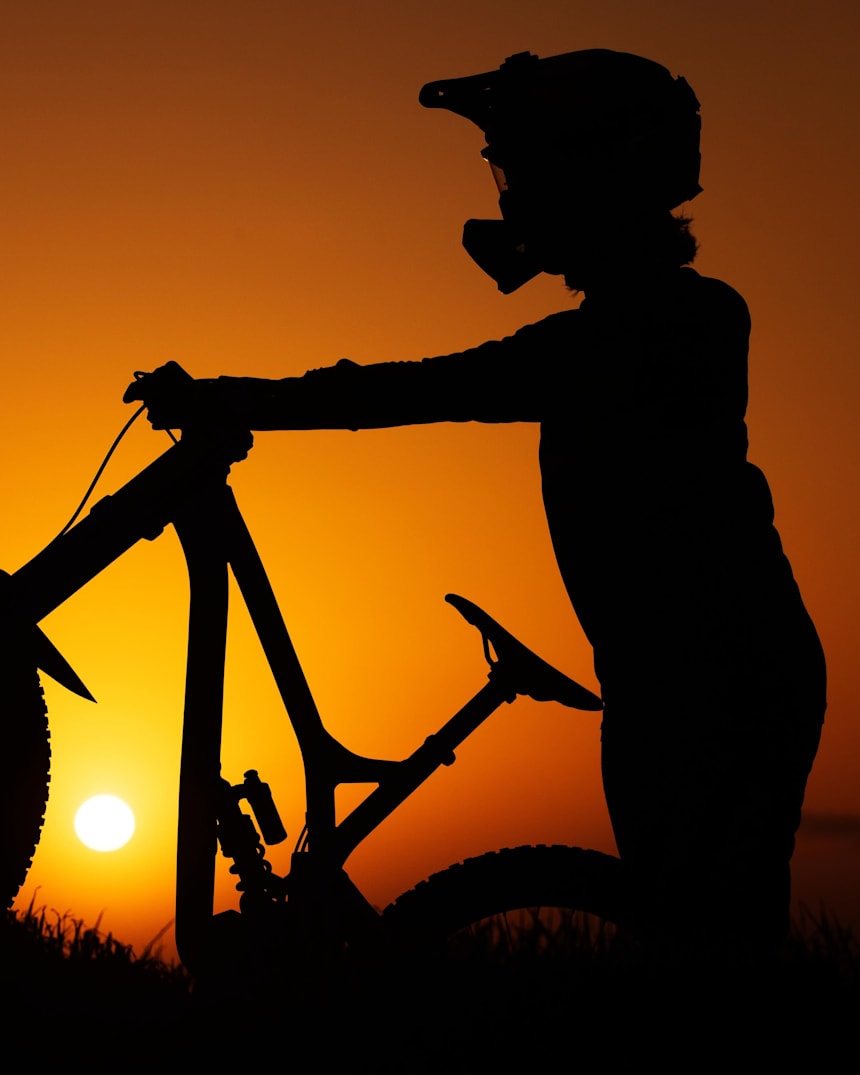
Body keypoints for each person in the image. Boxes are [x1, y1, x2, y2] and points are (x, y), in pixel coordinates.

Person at [127, 50, 825, 956]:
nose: (511, 194)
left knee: (705, 950)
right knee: (696, 940)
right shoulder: (656, 319)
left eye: (525, 170)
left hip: (716, 685)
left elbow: (412, 391)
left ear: (594, 177)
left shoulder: (667, 327)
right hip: (687, 677)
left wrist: (238, 397)